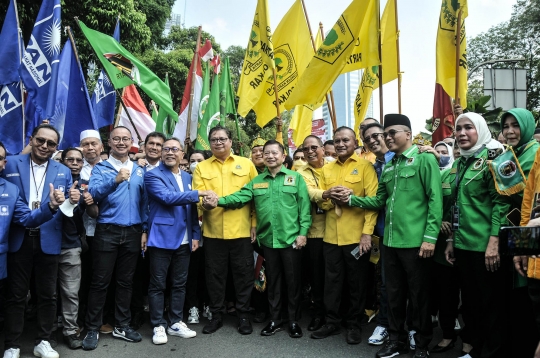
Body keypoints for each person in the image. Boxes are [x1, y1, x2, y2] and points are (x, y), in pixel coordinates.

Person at [346, 114, 443, 358]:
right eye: (385, 134)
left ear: (408, 135)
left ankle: (421, 344)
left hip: (416, 243)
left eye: (392, 133)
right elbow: (379, 200)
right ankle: (396, 340)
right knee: (394, 294)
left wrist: (430, 237)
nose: (387, 137)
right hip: (389, 242)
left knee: (419, 296)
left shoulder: (424, 160)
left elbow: (435, 200)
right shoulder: (389, 166)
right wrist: (350, 199)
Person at [213, 140, 311, 338]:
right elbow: (240, 197)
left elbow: (305, 209)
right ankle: (275, 320)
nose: (270, 156)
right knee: (272, 282)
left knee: (293, 283)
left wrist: (303, 233)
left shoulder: (295, 178)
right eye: (267, 153)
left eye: (275, 153)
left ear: (284, 157)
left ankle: (292, 321)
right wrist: (218, 201)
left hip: (291, 239)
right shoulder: (257, 181)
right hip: (268, 240)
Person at [1, 124, 78, 358]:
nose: (45, 146)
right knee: (16, 295)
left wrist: (74, 201)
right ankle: (12, 344)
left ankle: (43, 340)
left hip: (49, 238)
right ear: (31, 139)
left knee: (47, 294)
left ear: (56, 148)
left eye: (51, 143)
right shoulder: (11, 163)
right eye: (40, 140)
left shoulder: (63, 171)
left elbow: (65, 207)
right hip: (19, 237)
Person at [443, 113, 509, 358]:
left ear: (480, 130)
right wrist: (451, 240)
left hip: (486, 246)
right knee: (471, 304)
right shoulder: (461, 162)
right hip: (463, 245)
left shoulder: (495, 158)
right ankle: (476, 348)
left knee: (491, 305)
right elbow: (455, 204)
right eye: (458, 129)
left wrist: (494, 242)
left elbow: (501, 204)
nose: (461, 133)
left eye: (468, 128)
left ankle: (492, 352)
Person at [143, 138, 216, 345]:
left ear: (182, 155)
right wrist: (200, 192)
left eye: (174, 149)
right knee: (157, 284)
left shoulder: (187, 176)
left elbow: (191, 208)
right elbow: (167, 198)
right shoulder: (152, 175)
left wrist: (195, 234)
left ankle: (175, 321)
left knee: (179, 283)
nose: (169, 152)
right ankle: (158, 324)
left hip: (185, 240)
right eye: (165, 149)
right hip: (162, 238)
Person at [310, 127, 378, 345]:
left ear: (355, 142)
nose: (340, 144)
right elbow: (321, 202)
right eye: (337, 141)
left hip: (356, 237)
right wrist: (330, 196)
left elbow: (373, 203)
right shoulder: (327, 169)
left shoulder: (366, 166)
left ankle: (354, 324)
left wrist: (367, 234)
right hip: (330, 236)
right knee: (332, 281)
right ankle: (331, 322)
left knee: (356, 283)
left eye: (345, 140)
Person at [82, 126, 148, 350]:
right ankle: (92, 327)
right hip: (107, 230)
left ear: (132, 142)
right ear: (108, 142)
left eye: (125, 139)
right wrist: (115, 180)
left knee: (125, 282)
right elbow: (93, 195)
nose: (121, 142)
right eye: (116, 139)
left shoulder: (139, 170)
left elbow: (144, 203)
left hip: (132, 232)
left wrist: (144, 229)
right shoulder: (101, 168)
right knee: (100, 282)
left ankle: (122, 325)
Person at [192, 125, 258, 335]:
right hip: (213, 233)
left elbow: (256, 197)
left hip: (241, 232)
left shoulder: (246, 164)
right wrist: (205, 205)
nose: (218, 142)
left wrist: (254, 224)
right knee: (215, 277)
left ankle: (244, 316)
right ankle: (217, 315)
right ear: (209, 143)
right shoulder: (202, 167)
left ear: (231, 141)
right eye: (214, 139)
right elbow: (196, 198)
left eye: (222, 139)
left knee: (243, 276)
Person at [498, 108, 539, 357]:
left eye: (516, 125)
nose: (510, 131)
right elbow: (529, 204)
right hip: (523, 240)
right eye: (506, 126)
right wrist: (521, 246)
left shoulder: (532, 151)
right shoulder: (513, 154)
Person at [56, 148, 97, 350]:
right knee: (46, 292)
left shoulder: (85, 184)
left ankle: (71, 331)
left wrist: (88, 201)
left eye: (78, 160)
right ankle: (45, 331)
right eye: (69, 159)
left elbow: (93, 213)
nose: (74, 163)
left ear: (82, 164)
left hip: (71, 243)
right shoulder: (50, 178)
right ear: (61, 161)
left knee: (71, 292)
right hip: (46, 241)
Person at [360, 122, 395, 346]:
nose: (372, 141)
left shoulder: (407, 157)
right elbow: (375, 201)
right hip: (383, 232)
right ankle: (385, 324)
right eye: (367, 139)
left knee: (411, 284)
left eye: (376, 135)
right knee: (385, 283)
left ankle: (411, 327)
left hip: (408, 233)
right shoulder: (372, 167)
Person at [131, 132, 166, 331]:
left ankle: (160, 312)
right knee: (137, 272)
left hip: (162, 228)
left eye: (158, 144)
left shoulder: (168, 170)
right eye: (150, 143)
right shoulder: (135, 168)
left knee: (159, 273)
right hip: (138, 226)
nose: (154, 147)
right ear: (143, 146)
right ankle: (137, 312)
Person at [296, 135, 330, 332]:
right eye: (305, 148)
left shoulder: (334, 165)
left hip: (339, 230)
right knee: (317, 277)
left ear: (323, 149)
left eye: (314, 147)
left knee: (334, 277)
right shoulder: (300, 172)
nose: (310, 151)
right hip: (315, 232)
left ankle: (336, 313)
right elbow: (310, 193)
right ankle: (318, 314)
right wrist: (328, 193)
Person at [186, 149, 212, 324]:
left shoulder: (211, 180)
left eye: (199, 160)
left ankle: (209, 304)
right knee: (192, 273)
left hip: (210, 233)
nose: (195, 164)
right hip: (190, 235)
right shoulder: (185, 180)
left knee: (209, 273)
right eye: (192, 160)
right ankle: (192, 306)